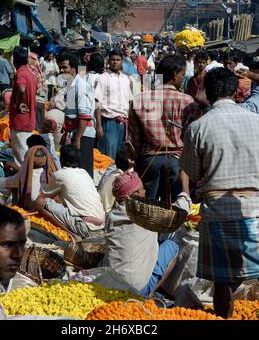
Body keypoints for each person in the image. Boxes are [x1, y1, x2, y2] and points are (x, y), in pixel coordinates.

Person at [180, 68, 259, 319]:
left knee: (221, 281)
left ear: (208, 93)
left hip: (217, 213)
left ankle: (224, 317)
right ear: (236, 91)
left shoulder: (198, 127)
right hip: (255, 209)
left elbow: (192, 173)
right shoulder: (256, 121)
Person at [103, 171, 187, 296]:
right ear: (135, 193)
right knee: (172, 246)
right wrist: (185, 188)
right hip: (135, 289)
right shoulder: (142, 214)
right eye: (142, 189)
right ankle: (149, 294)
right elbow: (181, 210)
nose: (145, 192)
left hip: (110, 283)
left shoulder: (112, 215)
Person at [129, 54, 199, 202]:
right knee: (174, 211)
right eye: (182, 75)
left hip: (148, 161)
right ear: (174, 75)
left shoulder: (140, 99)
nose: (182, 78)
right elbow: (190, 138)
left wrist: (134, 160)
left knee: (146, 209)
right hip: (177, 163)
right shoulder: (187, 101)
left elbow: (133, 139)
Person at [32, 144, 105, 239]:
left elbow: (40, 201)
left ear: (61, 159)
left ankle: (72, 235)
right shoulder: (84, 172)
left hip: (86, 228)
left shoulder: (60, 175)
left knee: (43, 203)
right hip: (102, 225)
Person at [58, 52, 95, 178]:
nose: (61, 71)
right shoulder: (70, 85)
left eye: (65, 68)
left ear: (73, 69)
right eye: (60, 68)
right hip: (74, 133)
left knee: (82, 172)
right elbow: (70, 113)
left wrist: (77, 139)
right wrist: (66, 132)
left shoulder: (81, 86)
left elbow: (84, 116)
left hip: (82, 135)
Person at [95, 49, 133, 159]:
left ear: (122, 61)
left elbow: (129, 102)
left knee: (121, 158)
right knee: (108, 157)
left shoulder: (126, 79)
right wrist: (98, 125)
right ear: (108, 61)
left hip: (124, 124)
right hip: (109, 123)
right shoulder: (102, 78)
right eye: (112, 60)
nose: (115, 62)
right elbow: (97, 102)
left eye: (118, 60)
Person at [9, 46, 37, 166]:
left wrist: (19, 103)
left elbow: (21, 88)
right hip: (28, 120)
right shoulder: (30, 73)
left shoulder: (20, 73)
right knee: (25, 153)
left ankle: (24, 182)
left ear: (14, 62)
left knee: (21, 157)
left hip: (21, 121)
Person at [98, 142, 136, 214]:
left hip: (103, 207)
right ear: (130, 162)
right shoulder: (120, 178)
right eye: (131, 157)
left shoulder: (114, 168)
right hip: (107, 211)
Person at [28, 52, 47, 131]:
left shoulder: (32, 73)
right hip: (42, 101)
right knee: (41, 123)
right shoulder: (41, 73)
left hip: (35, 100)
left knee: (35, 126)